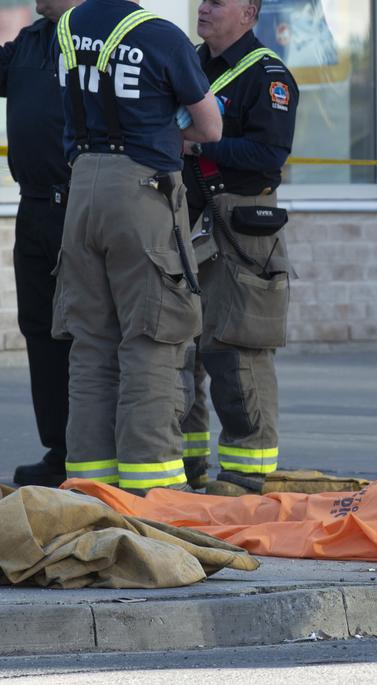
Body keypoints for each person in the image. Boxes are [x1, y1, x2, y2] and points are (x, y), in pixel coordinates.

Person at [52, 0, 222, 494]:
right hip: (142, 191)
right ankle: (153, 487)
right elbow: (210, 128)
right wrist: (169, 129)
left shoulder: (67, 27)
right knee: (152, 336)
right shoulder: (160, 35)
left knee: (91, 344)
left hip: (82, 189)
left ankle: (89, 486)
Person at [180, 0, 298, 492]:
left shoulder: (267, 76)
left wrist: (197, 145)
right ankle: (186, 465)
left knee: (236, 349)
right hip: (184, 219)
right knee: (181, 350)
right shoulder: (188, 63)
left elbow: (269, 154)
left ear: (249, 13)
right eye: (202, 1)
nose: (203, 8)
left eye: (217, 2)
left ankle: (247, 473)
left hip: (240, 225)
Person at [0, 0, 83, 487]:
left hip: (83, 206)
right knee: (40, 329)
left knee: (86, 331)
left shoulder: (101, 35)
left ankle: (92, 451)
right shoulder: (30, 41)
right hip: (34, 207)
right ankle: (61, 450)